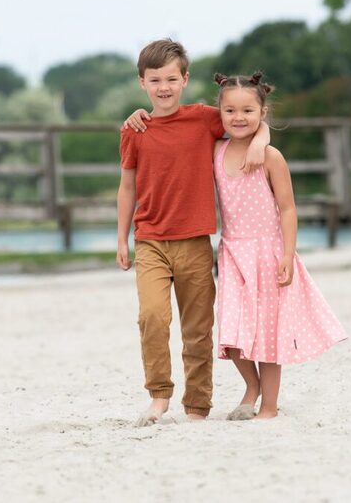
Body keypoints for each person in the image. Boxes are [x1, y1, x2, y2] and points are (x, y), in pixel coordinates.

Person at [116, 40, 269, 427]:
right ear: (142, 83)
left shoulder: (203, 119)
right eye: (155, 80)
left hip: (196, 241)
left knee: (198, 329)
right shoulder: (134, 129)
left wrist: (263, 138)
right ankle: (159, 396)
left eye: (171, 79)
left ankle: (197, 407)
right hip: (150, 240)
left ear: (185, 79)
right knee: (152, 317)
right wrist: (121, 239)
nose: (163, 87)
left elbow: (247, 118)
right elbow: (127, 186)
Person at [212, 71, 347, 420]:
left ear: (263, 112)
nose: (238, 117)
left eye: (248, 111)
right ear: (219, 112)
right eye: (230, 111)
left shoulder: (271, 157)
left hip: (268, 253)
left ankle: (269, 406)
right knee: (231, 329)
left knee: (268, 332)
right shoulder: (215, 152)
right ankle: (251, 386)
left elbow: (287, 209)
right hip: (232, 253)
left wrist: (287, 254)